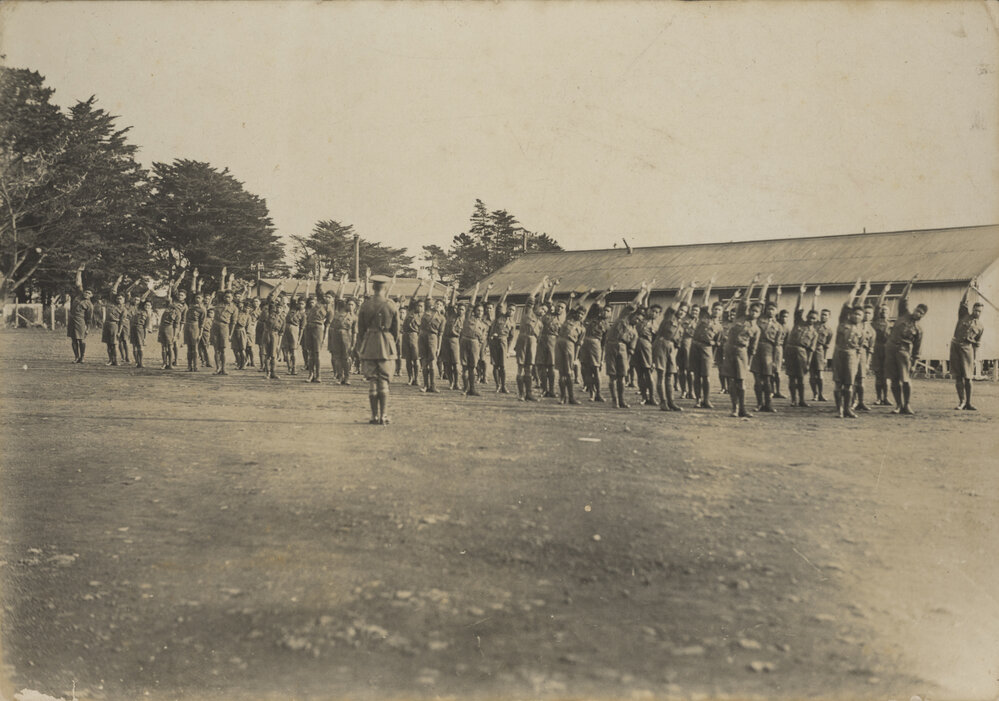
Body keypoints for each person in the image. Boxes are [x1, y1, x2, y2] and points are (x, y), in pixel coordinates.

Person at [356, 274, 399, 425]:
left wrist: (366, 340)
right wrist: (389, 341)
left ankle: (374, 416)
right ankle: (384, 415)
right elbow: (396, 330)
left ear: (373, 287)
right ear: (385, 287)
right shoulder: (391, 304)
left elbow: (360, 329)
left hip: (370, 343)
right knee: (384, 380)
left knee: (372, 380)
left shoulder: (365, 305)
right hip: (386, 344)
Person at [884, 275, 926, 415]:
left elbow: (917, 350)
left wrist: (914, 364)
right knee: (894, 380)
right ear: (914, 310)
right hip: (890, 350)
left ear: (922, 316)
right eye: (917, 310)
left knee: (906, 380)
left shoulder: (919, 330)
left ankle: (907, 405)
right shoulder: (903, 314)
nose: (918, 313)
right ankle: (898, 405)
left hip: (904, 353)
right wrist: (910, 284)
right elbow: (903, 299)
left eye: (921, 313)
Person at [723, 275, 763, 418]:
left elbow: (753, 348)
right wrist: (752, 284)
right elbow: (744, 300)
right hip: (729, 349)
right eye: (752, 310)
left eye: (756, 311)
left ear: (759, 314)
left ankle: (743, 409)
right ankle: (735, 408)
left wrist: (749, 364)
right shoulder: (740, 316)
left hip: (742, 352)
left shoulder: (757, 329)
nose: (753, 313)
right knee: (731, 381)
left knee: (741, 381)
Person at [652, 282, 693, 412]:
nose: (682, 312)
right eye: (681, 310)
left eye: (685, 311)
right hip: (661, 344)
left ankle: (671, 402)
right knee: (662, 374)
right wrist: (687, 288)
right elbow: (677, 301)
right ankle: (663, 402)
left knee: (670, 374)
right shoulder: (669, 315)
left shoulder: (681, 325)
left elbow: (677, 342)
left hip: (671, 348)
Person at [831, 278, 867, 418]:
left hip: (852, 357)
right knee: (838, 383)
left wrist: (856, 362)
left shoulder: (862, 331)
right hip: (839, 354)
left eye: (859, 314)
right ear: (850, 315)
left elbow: (859, 348)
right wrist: (856, 289)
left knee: (849, 384)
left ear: (862, 317)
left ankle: (847, 409)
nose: (856, 316)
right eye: (855, 314)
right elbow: (848, 304)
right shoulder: (843, 321)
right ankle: (838, 409)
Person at [950, 282, 985, 411]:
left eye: (979, 311)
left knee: (968, 378)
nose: (977, 312)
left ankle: (969, 403)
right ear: (972, 309)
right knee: (958, 377)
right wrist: (969, 288)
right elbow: (963, 301)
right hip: (955, 347)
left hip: (967, 350)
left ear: (981, 312)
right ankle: (961, 402)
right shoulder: (963, 315)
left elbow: (977, 344)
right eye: (976, 310)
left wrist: (975, 359)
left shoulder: (980, 327)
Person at [513, 277, 549, 401]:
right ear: (537, 307)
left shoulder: (541, 324)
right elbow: (531, 297)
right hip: (523, 340)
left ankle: (529, 393)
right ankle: (521, 394)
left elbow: (538, 338)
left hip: (533, 343)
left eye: (545, 311)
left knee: (529, 368)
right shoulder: (528, 312)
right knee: (520, 368)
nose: (543, 312)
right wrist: (541, 283)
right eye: (542, 309)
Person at [749, 276, 781, 412]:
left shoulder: (778, 327)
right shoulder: (760, 318)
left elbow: (777, 345)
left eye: (773, 309)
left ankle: (768, 404)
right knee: (757, 380)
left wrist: (775, 361)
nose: (770, 311)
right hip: (756, 349)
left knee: (768, 380)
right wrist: (766, 285)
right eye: (768, 309)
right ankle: (759, 403)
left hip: (769, 351)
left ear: (776, 311)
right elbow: (760, 300)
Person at [784, 284, 819, 408]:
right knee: (791, 378)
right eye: (810, 317)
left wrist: (808, 363)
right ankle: (793, 399)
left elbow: (811, 350)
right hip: (790, 350)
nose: (811, 319)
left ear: (816, 320)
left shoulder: (814, 333)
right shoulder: (798, 322)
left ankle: (802, 400)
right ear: (807, 316)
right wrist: (801, 294)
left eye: (814, 318)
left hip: (802, 354)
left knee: (800, 378)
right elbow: (798, 308)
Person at [488, 284, 517, 394]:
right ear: (507, 309)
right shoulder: (500, 315)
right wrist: (506, 291)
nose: (511, 311)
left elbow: (511, 338)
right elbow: (500, 303)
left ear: (515, 312)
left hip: (504, 343)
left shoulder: (512, 324)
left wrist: (509, 350)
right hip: (494, 342)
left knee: (503, 366)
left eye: (513, 310)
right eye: (509, 309)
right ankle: (497, 385)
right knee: (495, 365)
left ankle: (504, 386)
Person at [418, 286, 446, 393]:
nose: (438, 306)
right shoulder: (428, 310)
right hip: (423, 337)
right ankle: (425, 385)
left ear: (442, 307)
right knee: (424, 361)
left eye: (440, 305)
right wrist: (432, 282)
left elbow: (441, 334)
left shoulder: (442, 319)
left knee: (432, 361)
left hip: (433, 338)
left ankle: (433, 386)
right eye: (437, 304)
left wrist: (438, 347)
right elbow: (428, 297)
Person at [460, 299, 489, 396]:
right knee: (464, 367)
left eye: (481, 311)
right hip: (465, 341)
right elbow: (471, 303)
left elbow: (483, 338)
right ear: (474, 311)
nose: (480, 313)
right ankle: (465, 388)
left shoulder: (483, 325)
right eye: (478, 310)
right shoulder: (468, 317)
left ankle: (472, 389)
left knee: (472, 367)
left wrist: (479, 346)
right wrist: (476, 289)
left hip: (475, 344)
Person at [67, 265, 95, 363]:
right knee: (73, 340)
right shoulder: (78, 296)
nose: (86, 294)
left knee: (81, 340)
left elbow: (89, 319)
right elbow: (78, 283)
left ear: (91, 295)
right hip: (72, 320)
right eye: (86, 292)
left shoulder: (89, 305)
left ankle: (82, 357)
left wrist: (87, 328)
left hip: (81, 322)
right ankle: (76, 357)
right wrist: (79, 271)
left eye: (89, 293)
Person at [101, 274, 125, 366]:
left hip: (115, 326)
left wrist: (119, 331)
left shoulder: (123, 309)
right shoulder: (112, 302)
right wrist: (118, 281)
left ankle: (116, 360)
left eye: (121, 298)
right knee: (108, 344)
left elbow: (122, 322)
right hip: (107, 324)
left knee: (114, 344)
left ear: (124, 300)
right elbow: (113, 290)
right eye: (118, 298)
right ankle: (110, 360)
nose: (119, 300)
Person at [809, 308, 833, 402]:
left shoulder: (829, 330)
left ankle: (821, 394)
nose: (823, 316)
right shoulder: (814, 325)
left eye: (826, 315)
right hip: (810, 350)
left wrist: (825, 358)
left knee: (820, 375)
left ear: (829, 317)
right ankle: (815, 394)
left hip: (820, 351)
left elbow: (826, 345)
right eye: (822, 314)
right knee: (812, 374)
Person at [130, 297, 154, 368]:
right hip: (133, 328)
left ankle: (141, 362)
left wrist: (145, 338)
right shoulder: (139, 310)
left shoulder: (148, 315)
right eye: (146, 305)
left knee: (140, 345)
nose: (147, 306)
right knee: (134, 346)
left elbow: (146, 327)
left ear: (151, 307)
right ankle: (137, 362)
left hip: (140, 330)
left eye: (149, 305)